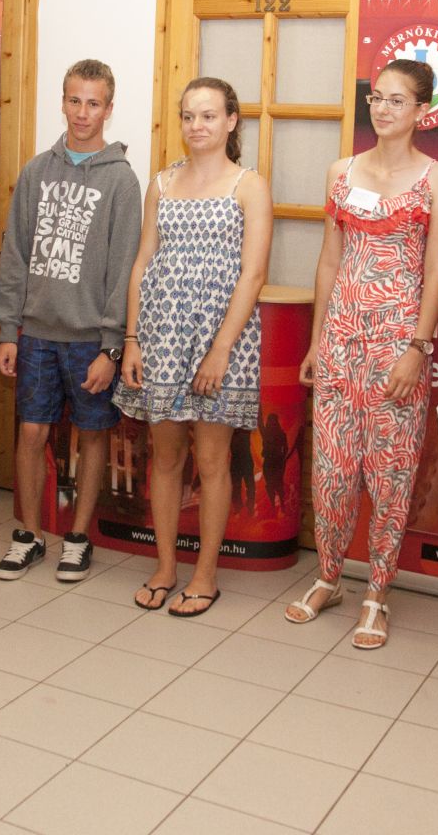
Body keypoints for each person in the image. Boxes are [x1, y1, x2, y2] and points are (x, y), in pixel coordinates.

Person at [284, 59, 438, 649]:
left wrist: (418, 349)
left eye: (397, 100)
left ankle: (377, 594)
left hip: (398, 347)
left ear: (422, 111)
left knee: (390, 475)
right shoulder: (342, 171)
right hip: (340, 341)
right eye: (376, 98)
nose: (383, 109)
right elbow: (330, 260)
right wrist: (316, 340)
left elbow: (437, 270)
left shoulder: (437, 178)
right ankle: (328, 577)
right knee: (332, 471)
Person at [114, 77, 272, 616]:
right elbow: (142, 263)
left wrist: (221, 350)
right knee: (165, 457)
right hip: (161, 335)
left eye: (208, 115)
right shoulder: (160, 184)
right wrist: (132, 340)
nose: (197, 125)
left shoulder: (249, 186)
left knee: (211, 460)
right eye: (188, 116)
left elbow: (253, 274)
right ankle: (165, 567)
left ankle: (205, 575)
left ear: (231, 121)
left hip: (222, 339)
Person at [0, 59, 140, 582]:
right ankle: (28, 535)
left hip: (90, 341)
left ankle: (78, 537)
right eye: (74, 101)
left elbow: (125, 268)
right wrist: (7, 330)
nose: (82, 112)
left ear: (109, 109)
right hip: (36, 334)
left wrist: (111, 347)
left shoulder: (122, 180)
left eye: (93, 103)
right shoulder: (37, 171)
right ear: (62, 102)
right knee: (32, 431)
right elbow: (15, 254)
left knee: (92, 434)